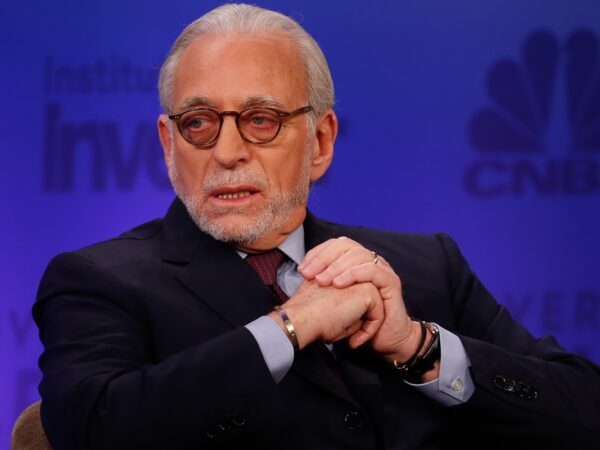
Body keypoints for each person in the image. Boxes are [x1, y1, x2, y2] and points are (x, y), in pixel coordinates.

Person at [34, 4, 600, 449]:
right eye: (199, 123)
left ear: (321, 141)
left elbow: (583, 410)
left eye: (260, 120)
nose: (226, 152)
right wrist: (290, 325)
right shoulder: (99, 280)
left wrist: (417, 347)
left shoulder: (428, 266)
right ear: (168, 143)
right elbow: (92, 431)